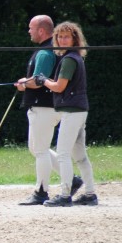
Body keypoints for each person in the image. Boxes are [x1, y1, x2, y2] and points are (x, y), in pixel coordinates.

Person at [14, 15, 80, 205]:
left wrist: (23, 84)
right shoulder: (54, 50)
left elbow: (37, 80)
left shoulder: (44, 52)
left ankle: (41, 191)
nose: (29, 31)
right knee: (36, 148)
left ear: (41, 30)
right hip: (49, 106)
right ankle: (72, 180)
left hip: (42, 106)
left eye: (31, 28)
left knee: (40, 150)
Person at [37, 21, 98, 207]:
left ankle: (64, 195)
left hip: (72, 111)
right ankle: (90, 193)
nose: (62, 40)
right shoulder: (75, 57)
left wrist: (43, 80)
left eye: (66, 37)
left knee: (62, 153)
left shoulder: (70, 59)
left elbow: (59, 86)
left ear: (74, 39)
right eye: (59, 37)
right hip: (79, 110)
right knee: (80, 156)